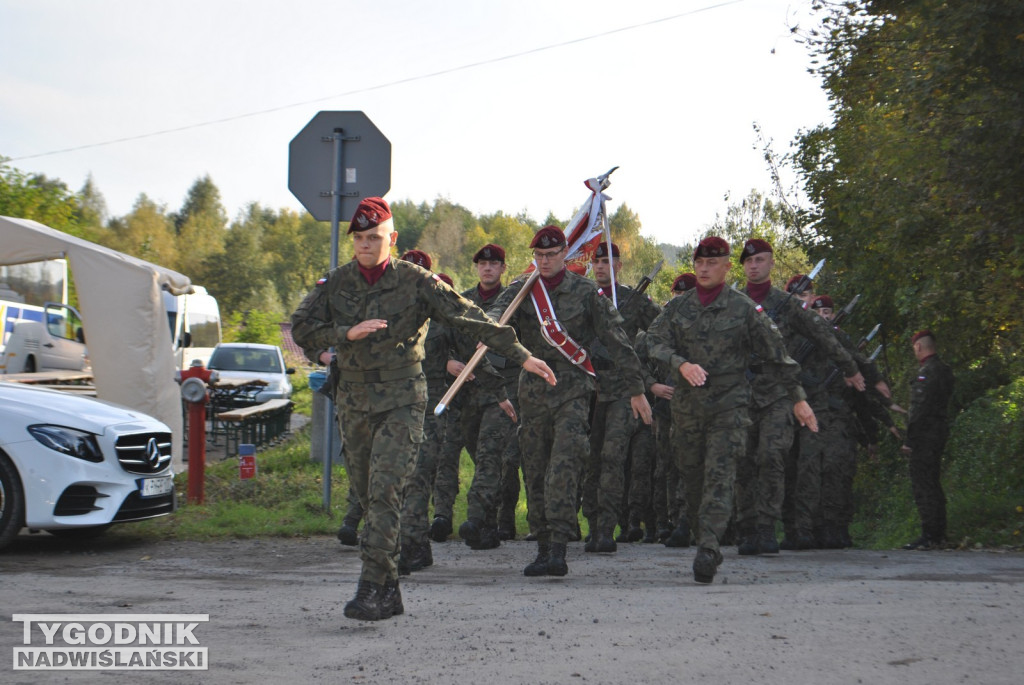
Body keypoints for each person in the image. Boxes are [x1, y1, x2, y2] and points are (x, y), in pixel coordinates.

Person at [291, 197, 556, 621]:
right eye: (358, 238)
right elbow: (301, 328)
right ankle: (389, 585)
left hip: (401, 399)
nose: (364, 245)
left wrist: (522, 355)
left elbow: (470, 317)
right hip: (354, 401)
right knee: (365, 492)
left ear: (391, 239)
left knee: (385, 491)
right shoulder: (336, 283)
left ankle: (372, 587)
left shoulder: (417, 281)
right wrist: (345, 334)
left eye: (373, 237)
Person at [646, 236, 817, 584]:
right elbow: (651, 341)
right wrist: (680, 364)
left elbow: (777, 355)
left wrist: (798, 397)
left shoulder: (743, 309)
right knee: (692, 477)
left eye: (712, 263)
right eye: (700, 263)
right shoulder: (679, 308)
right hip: (689, 408)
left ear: (726, 266)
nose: (705, 269)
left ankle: (708, 548)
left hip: (730, 404)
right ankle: (704, 534)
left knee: (720, 476)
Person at [488, 226, 652, 577]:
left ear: (565, 253)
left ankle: (559, 548)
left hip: (574, 389)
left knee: (563, 465)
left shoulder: (586, 292)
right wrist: (487, 332)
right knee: (535, 467)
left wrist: (636, 388)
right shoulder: (522, 290)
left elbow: (617, 339)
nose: (544, 261)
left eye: (551, 255)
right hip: (532, 391)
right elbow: (494, 319)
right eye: (539, 256)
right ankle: (543, 545)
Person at [737, 239, 864, 555]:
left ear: (770, 264)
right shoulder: (731, 303)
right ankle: (748, 527)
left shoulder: (788, 304)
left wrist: (849, 367)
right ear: (742, 266)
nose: (754, 266)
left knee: (771, 456)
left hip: (780, 393)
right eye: (749, 261)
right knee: (744, 462)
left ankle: (766, 529)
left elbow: (824, 335)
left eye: (761, 260)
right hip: (741, 393)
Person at [582, 242, 661, 552]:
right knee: (590, 459)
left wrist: (646, 372)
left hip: (622, 392)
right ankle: (591, 522)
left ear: (619, 265)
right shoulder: (582, 297)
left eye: (607, 261)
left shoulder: (634, 300)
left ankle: (606, 529)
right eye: (596, 261)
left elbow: (662, 331)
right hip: (586, 387)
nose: (601, 266)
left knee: (612, 458)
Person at [450, 243, 522, 549]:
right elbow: (444, 339)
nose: (488, 268)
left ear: (503, 269)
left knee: (492, 455)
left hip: (504, 392)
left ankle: (476, 517)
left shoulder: (517, 301)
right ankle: (490, 527)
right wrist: (448, 361)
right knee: (481, 459)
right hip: (470, 393)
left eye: (494, 264)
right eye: (482, 264)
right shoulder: (462, 301)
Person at [901, 330, 954, 550]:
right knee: (933, 482)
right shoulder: (945, 371)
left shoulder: (926, 373)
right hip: (939, 431)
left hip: (924, 435)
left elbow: (919, 410)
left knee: (924, 484)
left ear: (919, 347)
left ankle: (930, 534)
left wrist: (909, 440)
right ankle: (938, 533)